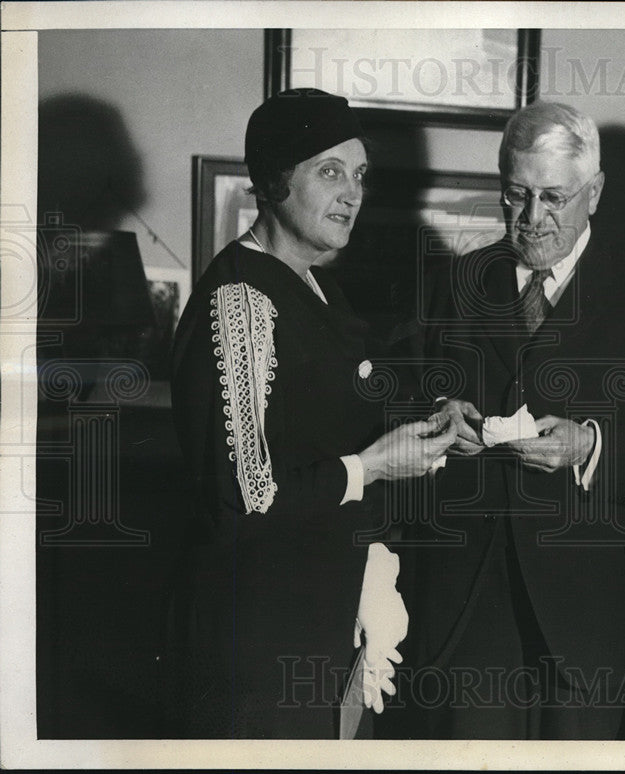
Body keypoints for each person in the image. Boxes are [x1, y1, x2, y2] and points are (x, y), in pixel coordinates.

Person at [389, 101, 625, 740]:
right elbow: (393, 402)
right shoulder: (453, 284)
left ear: (594, 193)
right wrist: (435, 418)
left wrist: (589, 446)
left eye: (554, 198)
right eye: (516, 195)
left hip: (588, 609)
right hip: (465, 600)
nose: (532, 218)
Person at [169, 88, 456, 738]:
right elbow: (247, 493)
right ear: (274, 180)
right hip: (257, 635)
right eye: (330, 171)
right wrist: (375, 466)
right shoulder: (242, 298)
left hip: (317, 613)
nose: (351, 192)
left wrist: (429, 419)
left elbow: (319, 426)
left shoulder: (313, 285)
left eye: (358, 175)